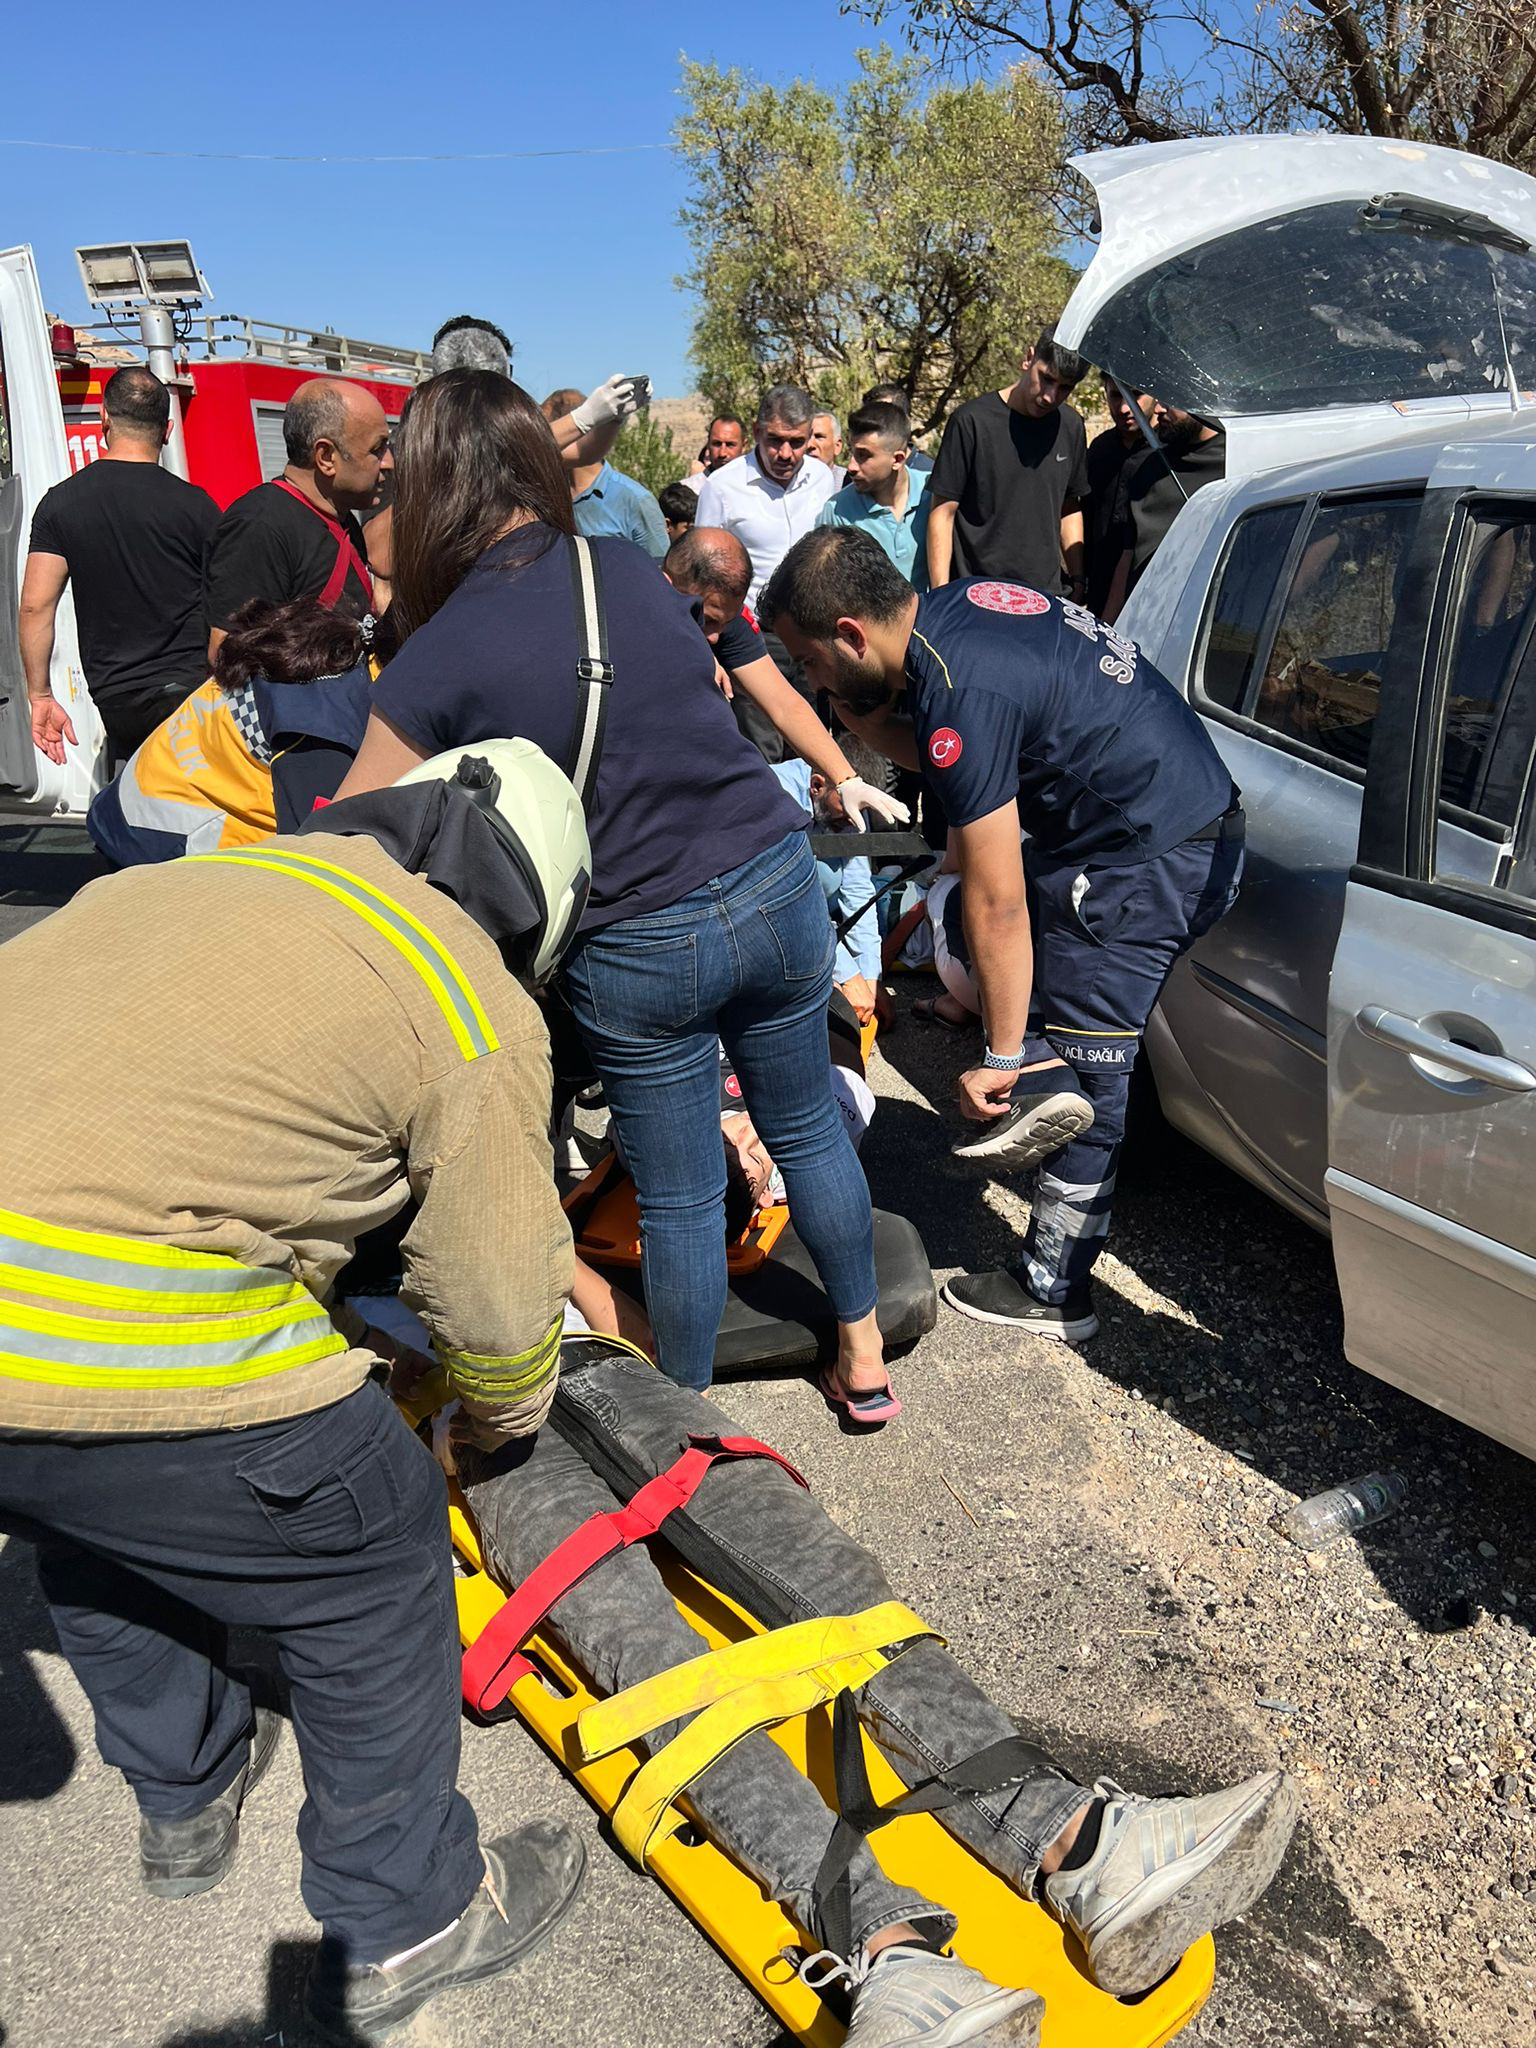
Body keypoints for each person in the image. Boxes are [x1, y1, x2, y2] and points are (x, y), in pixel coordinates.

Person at [0, 741, 598, 2044]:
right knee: (369, 1546)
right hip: (112, 1332)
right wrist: (488, 1426)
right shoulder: (464, 989)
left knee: (91, 1520)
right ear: (523, 914)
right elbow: (498, 1312)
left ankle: (183, 1798)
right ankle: (413, 1914)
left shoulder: (195, 883)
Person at [452, 1339, 1300, 2046]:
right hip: (473, 1428)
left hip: (607, 1369)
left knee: (843, 1595)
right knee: (659, 1674)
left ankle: (1085, 1846)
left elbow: (607, 1292)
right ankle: (893, 1955)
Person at [331, 369, 900, 1412]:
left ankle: (682, 1430)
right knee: (809, 1126)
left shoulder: (438, 650)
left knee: (681, 1195)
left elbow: (345, 834)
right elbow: (708, 688)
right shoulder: (628, 569)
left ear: (428, 488)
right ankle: (862, 1355)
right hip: (774, 881)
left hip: (639, 937)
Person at [763, 528, 1244, 1343]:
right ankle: (1048, 1090)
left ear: (850, 633)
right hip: (1164, 823)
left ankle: (1056, 1291)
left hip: (1145, 860)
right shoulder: (950, 618)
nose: (810, 683)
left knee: (1090, 1077)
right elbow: (945, 771)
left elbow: (996, 899)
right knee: (1076, 1039)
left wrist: (1002, 1052)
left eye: (808, 662)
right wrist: (851, 707)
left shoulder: (960, 692)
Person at [21, 365, 219, 769]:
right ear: (167, 431)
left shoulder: (60, 504)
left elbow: (35, 607)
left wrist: (39, 695)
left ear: (104, 419)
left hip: (116, 698)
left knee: (130, 804)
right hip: (190, 691)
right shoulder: (199, 506)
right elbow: (228, 604)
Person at [86, 598, 377, 865]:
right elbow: (318, 856)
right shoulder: (324, 718)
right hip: (165, 843)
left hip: (136, 806)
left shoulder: (343, 648)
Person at [663, 526, 912, 812]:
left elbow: (784, 704)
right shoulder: (618, 599)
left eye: (724, 623)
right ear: (666, 585)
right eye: (706, 620)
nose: (714, 637)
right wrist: (692, 654)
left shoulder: (724, 622)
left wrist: (847, 780)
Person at [203, 378, 392, 664]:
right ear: (326, 456)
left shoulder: (343, 520)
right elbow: (227, 656)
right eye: (377, 449)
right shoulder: (259, 527)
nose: (388, 462)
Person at [926, 328, 1089, 599]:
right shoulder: (971, 421)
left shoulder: (1071, 427)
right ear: (1028, 358)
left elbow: (1070, 506)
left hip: (1045, 598)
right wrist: (941, 597)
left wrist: (1079, 578)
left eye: (1065, 388)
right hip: (975, 595)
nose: (1051, 396)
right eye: (1046, 379)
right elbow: (943, 512)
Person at [694, 385, 840, 613]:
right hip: (753, 630)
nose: (785, 454)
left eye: (796, 442)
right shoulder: (721, 487)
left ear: (810, 435)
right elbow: (704, 569)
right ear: (756, 432)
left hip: (813, 626)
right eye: (775, 440)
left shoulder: (822, 478)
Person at [1104, 405, 1228, 621]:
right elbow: (1128, 555)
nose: (1159, 408)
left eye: (1171, 401)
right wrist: (1108, 628)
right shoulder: (1150, 467)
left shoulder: (1234, 465)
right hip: (1144, 626)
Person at [541, 389, 669, 561]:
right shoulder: (546, 497)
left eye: (548, 436)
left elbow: (660, 571)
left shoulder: (634, 500)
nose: (540, 447)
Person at [815, 402, 931, 591]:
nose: (851, 466)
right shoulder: (837, 511)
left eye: (863, 455)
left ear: (898, 459)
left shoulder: (932, 494)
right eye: (852, 452)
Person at [1084, 374, 1154, 617]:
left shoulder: (1167, 454)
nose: (1125, 408)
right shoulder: (1099, 449)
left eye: (1135, 395)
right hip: (1098, 592)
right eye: (1116, 395)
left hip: (1147, 595)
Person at [862, 381, 934, 471]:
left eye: (881, 418)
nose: (871, 426)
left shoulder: (929, 474)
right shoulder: (858, 473)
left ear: (904, 421)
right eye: (866, 419)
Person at [682, 412, 746, 490]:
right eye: (717, 444)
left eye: (730, 445)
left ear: (744, 446)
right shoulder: (689, 490)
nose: (722, 453)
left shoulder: (758, 487)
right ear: (708, 444)